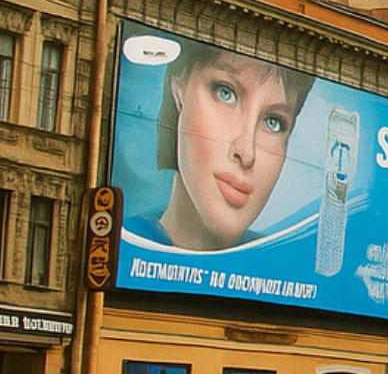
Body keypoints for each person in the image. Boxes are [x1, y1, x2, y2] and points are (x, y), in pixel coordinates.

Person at [135, 40, 315, 251]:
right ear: (179, 87)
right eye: (225, 93)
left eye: (273, 122)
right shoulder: (121, 246)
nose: (247, 153)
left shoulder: (284, 268)